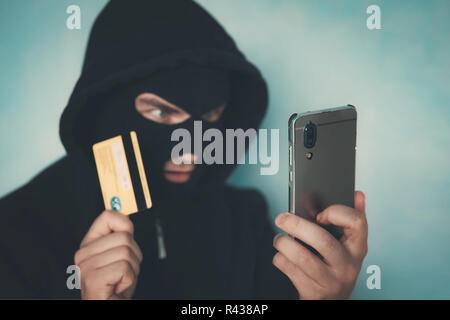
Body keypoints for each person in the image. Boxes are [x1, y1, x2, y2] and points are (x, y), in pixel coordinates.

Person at [0, 0, 368, 299]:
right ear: (102, 108)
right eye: (161, 112)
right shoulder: (16, 232)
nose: (193, 153)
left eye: (210, 118)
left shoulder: (244, 219)